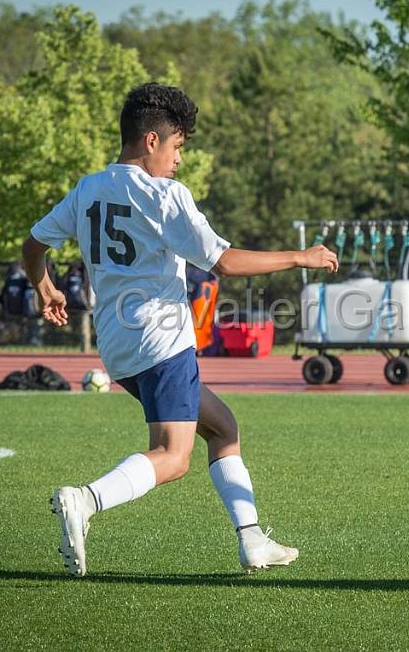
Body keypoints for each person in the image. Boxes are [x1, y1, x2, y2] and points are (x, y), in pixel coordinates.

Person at [22, 82, 338, 576]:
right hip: (162, 339)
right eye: (177, 146)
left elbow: (34, 243)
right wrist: (301, 257)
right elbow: (224, 263)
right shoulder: (164, 195)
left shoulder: (87, 189)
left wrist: (45, 289)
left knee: (223, 426)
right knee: (173, 456)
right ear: (151, 140)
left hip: (118, 348)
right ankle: (85, 499)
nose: (179, 160)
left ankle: (252, 539)